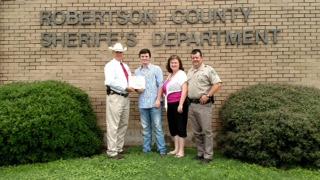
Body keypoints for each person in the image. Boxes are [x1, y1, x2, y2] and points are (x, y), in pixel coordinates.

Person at [187, 49, 222, 164]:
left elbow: (218, 84)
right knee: (197, 132)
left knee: (206, 131)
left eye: (197, 57)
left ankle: (208, 156)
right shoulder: (190, 71)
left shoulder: (208, 70)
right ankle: (200, 153)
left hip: (204, 105)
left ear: (201, 58)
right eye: (193, 58)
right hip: (191, 104)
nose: (195, 59)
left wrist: (208, 95)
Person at [104, 42, 135, 159]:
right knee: (113, 124)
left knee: (123, 123)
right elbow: (109, 82)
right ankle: (112, 151)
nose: (119, 54)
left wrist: (135, 87)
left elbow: (130, 80)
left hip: (125, 97)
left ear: (123, 53)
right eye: (117, 52)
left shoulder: (125, 66)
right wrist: (125, 87)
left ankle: (118, 148)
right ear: (113, 53)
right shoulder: (110, 66)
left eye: (121, 52)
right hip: (115, 96)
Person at [134, 48, 167, 156]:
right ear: (140, 58)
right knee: (145, 128)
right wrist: (137, 90)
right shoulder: (137, 71)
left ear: (150, 57)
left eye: (146, 56)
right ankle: (146, 149)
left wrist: (158, 100)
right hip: (143, 103)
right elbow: (136, 87)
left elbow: (161, 85)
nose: (144, 58)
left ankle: (162, 149)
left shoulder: (156, 69)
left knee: (157, 127)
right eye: (142, 56)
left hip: (155, 103)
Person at [159, 55, 188, 158]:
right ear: (169, 64)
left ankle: (181, 151)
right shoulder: (170, 75)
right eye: (172, 63)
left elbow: (184, 89)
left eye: (175, 62)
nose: (174, 64)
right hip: (170, 104)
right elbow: (164, 90)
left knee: (180, 126)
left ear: (179, 64)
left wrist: (181, 104)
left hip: (179, 103)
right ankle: (176, 149)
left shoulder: (182, 74)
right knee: (173, 127)